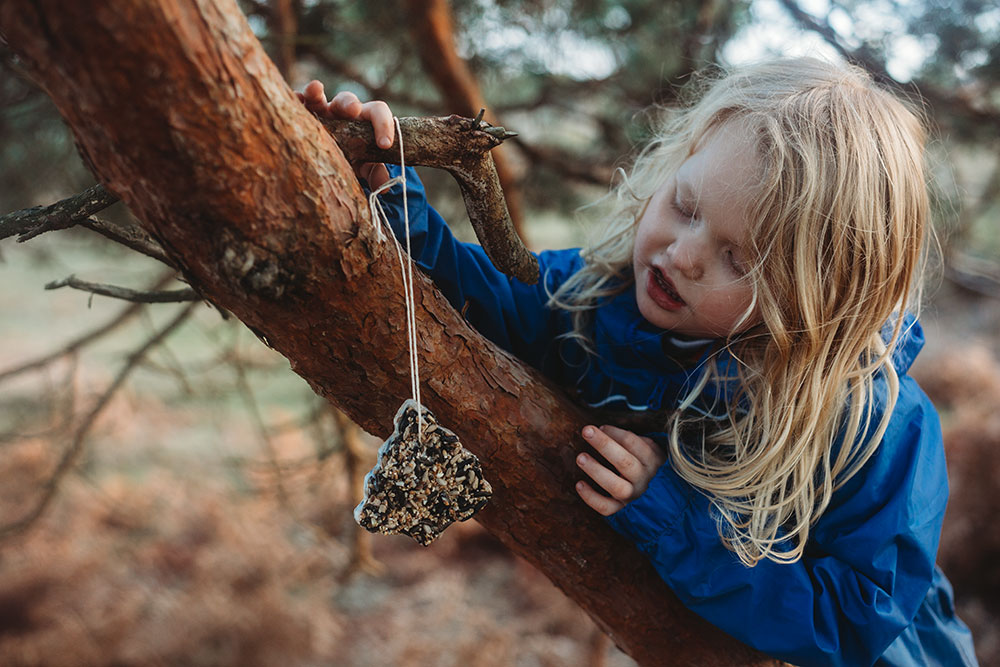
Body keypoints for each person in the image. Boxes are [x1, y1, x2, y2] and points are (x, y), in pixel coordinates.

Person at [299, 58, 979, 666]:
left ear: (809, 302)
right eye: (685, 205)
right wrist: (388, 190)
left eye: (737, 258)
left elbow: (859, 615)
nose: (682, 252)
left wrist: (676, 522)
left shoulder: (872, 420)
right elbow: (493, 300)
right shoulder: (605, 298)